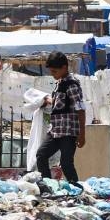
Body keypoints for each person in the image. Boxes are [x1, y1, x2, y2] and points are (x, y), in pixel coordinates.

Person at [35, 51, 85, 183]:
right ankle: (48, 185)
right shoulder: (60, 83)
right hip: (56, 130)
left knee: (66, 163)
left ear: (64, 68)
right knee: (41, 155)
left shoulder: (72, 85)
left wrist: (82, 134)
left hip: (68, 131)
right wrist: (46, 100)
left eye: (54, 71)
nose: (52, 74)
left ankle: (76, 189)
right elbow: (61, 104)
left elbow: (80, 109)